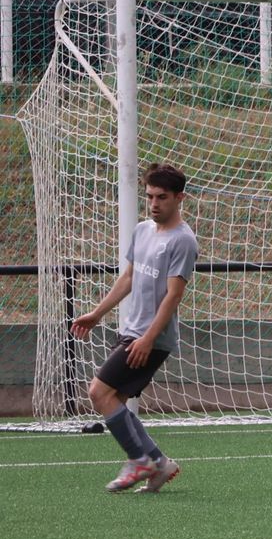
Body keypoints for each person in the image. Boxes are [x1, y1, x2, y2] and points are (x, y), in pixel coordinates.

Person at [71, 163, 198, 493]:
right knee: (114, 398)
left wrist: (148, 338)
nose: (154, 204)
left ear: (179, 198)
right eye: (150, 196)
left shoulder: (183, 241)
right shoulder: (142, 230)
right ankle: (159, 462)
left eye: (162, 197)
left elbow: (173, 296)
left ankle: (139, 460)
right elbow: (128, 277)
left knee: (98, 392)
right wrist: (97, 314)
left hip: (152, 338)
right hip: (131, 331)